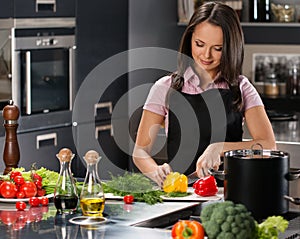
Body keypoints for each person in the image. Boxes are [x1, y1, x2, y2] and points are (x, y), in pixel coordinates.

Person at [132, 1, 276, 186]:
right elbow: (140, 152)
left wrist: (220, 148)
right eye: (199, 44)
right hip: (181, 195)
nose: (206, 55)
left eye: (218, 49)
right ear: (190, 38)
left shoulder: (242, 88)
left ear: (232, 47)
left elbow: (268, 145)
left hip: (228, 193)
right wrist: (156, 171)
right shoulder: (165, 87)